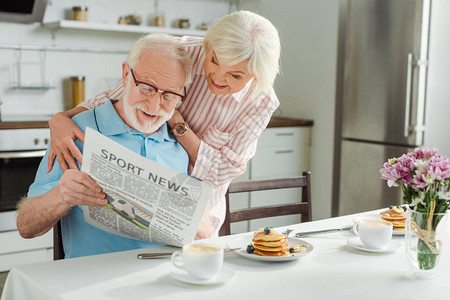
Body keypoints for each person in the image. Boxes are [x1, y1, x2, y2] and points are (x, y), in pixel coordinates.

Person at [47, 10, 281, 236]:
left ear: (255, 76)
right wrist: (62, 118)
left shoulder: (261, 102)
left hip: (198, 214)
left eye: (235, 75)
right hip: (141, 188)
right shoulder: (183, 53)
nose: (218, 77)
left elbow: (220, 172)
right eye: (214, 61)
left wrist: (178, 124)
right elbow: (122, 93)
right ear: (209, 46)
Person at [16, 33, 213, 258]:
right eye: (147, 88)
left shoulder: (179, 144)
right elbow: (26, 226)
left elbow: (206, 231)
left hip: (166, 276)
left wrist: (193, 225)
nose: (154, 105)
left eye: (169, 95)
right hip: (95, 280)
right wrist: (62, 195)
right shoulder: (75, 132)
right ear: (125, 74)